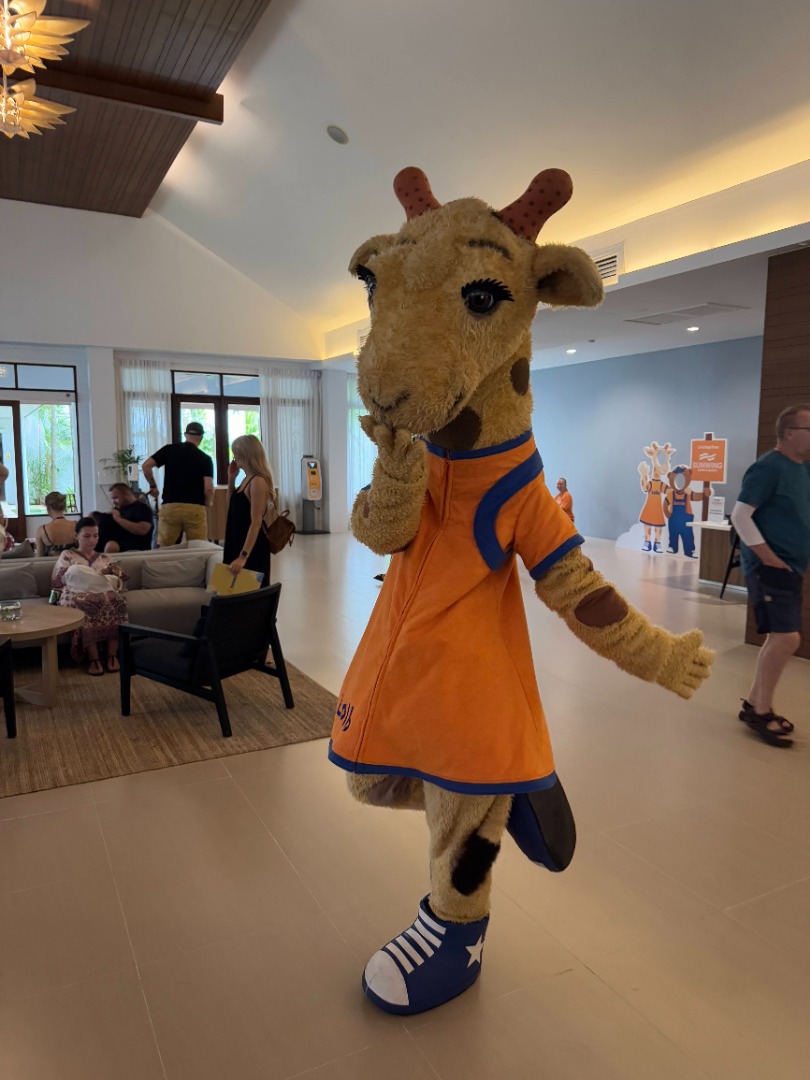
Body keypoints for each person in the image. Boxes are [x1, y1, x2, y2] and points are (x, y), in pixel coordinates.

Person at [730, 402, 810, 745]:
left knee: (779, 636)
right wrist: (768, 557)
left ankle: (753, 704)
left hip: (791, 566)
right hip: (770, 568)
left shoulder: (801, 468)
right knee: (787, 638)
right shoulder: (768, 467)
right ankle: (762, 713)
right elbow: (740, 515)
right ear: (790, 433)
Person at [51, 517, 128, 676]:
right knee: (84, 594)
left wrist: (110, 572)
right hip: (74, 593)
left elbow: (122, 579)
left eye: (95, 535)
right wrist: (87, 574)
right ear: (76, 536)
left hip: (103, 591)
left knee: (116, 599)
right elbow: (58, 581)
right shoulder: (67, 555)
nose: (92, 540)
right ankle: (94, 658)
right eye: (87, 536)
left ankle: (112, 654)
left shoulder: (105, 558)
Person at [142, 422, 214, 546]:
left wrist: (153, 486)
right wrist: (208, 503)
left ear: (185, 435)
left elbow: (146, 466)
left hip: (171, 507)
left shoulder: (169, 450)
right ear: (201, 438)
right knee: (198, 548)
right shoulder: (205, 459)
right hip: (195, 507)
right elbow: (208, 488)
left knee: (165, 548)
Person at [223, 434, 273, 584]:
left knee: (250, 590)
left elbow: (256, 522)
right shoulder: (246, 479)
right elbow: (231, 507)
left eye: (236, 454)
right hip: (237, 540)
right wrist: (231, 479)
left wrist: (243, 556)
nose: (234, 458)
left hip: (251, 546)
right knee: (234, 587)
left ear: (245, 455)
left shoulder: (257, 481)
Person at [91, 482, 153, 553]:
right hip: (118, 540)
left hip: (135, 545)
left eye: (115, 498)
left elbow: (143, 530)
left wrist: (119, 519)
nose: (113, 501)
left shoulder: (142, 508)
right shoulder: (119, 508)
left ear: (126, 495)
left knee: (111, 546)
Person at [35, 492, 78, 556]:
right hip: (74, 562)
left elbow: (39, 558)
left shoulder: (42, 530)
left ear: (48, 508)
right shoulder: (77, 525)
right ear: (65, 507)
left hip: (51, 563)